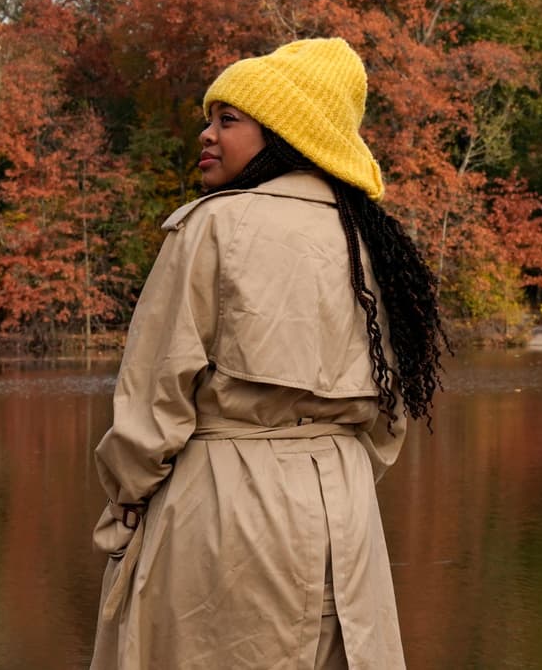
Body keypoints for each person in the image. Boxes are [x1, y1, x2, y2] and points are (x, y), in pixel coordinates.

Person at [89, 37, 447, 669]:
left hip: (226, 506)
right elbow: (392, 412)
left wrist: (126, 505)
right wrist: (332, 464)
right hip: (346, 505)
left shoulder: (212, 227)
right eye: (210, 118)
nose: (207, 134)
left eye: (228, 121)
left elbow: (152, 400)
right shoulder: (371, 240)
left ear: (285, 134)